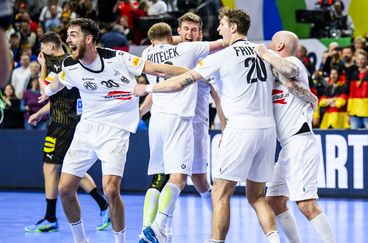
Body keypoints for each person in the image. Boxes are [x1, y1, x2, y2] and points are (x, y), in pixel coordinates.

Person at [134, 8, 283, 243]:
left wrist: (147, 88)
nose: (218, 29)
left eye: (221, 24)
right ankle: (274, 239)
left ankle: (202, 236)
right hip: (265, 128)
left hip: (223, 127)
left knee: (214, 188)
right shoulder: (262, 51)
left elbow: (184, 82)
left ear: (232, 27)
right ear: (178, 31)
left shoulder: (215, 56)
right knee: (255, 196)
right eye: (186, 30)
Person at [39, 18, 188, 243]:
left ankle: (120, 241)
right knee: (65, 189)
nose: (68, 39)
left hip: (116, 132)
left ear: (88, 39)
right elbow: (56, 83)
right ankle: (80, 240)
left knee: (110, 190)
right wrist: (46, 91)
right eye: (67, 35)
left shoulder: (118, 58)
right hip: (87, 129)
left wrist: (194, 73)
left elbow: (157, 69)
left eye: (73, 35)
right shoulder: (69, 65)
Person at [138, 13, 225, 242]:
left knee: (200, 180)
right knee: (174, 177)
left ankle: (218, 225)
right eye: (185, 29)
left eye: (194, 30)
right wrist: (140, 111)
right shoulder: (181, 51)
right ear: (178, 30)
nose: (189, 34)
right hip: (178, 120)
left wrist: (224, 125)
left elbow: (217, 95)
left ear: (201, 33)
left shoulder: (206, 55)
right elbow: (159, 90)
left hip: (196, 124)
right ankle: (159, 229)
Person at [24, 32, 111, 233]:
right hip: (69, 121)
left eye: (43, 49)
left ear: (52, 47)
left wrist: (43, 65)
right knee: (73, 169)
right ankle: (103, 205)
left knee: (50, 168)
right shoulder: (69, 63)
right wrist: (40, 114)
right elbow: (56, 100)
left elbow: (45, 92)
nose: (41, 53)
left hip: (63, 124)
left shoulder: (61, 64)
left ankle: (51, 218)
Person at [255, 31, 335, 243]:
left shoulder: (292, 62)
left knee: (306, 205)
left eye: (272, 43)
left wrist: (263, 51)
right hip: (287, 147)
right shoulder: (273, 73)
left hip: (300, 142)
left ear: (280, 44)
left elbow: (288, 70)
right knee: (274, 201)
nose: (269, 45)